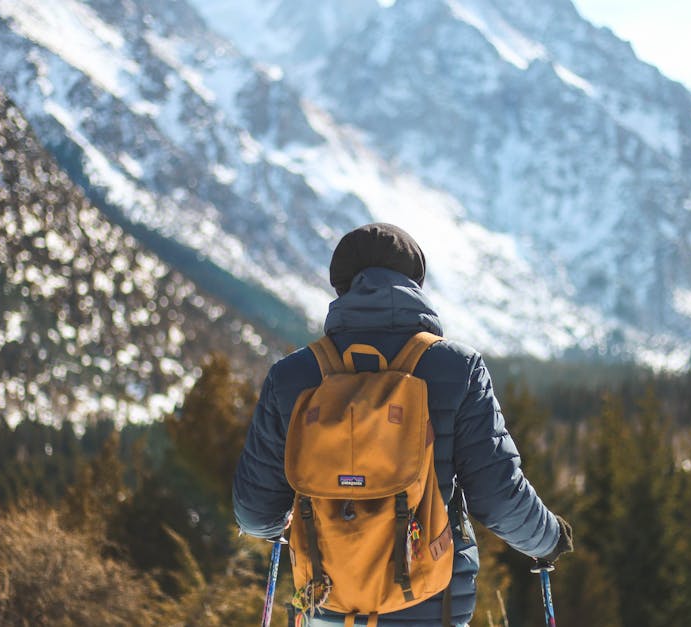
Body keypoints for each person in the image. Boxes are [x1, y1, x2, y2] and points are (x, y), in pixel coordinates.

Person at [233, 223, 573, 626]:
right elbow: (497, 495)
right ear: (415, 284)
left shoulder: (293, 376)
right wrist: (549, 539)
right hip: (430, 605)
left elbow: (255, 513)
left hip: (328, 604)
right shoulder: (457, 368)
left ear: (341, 287)